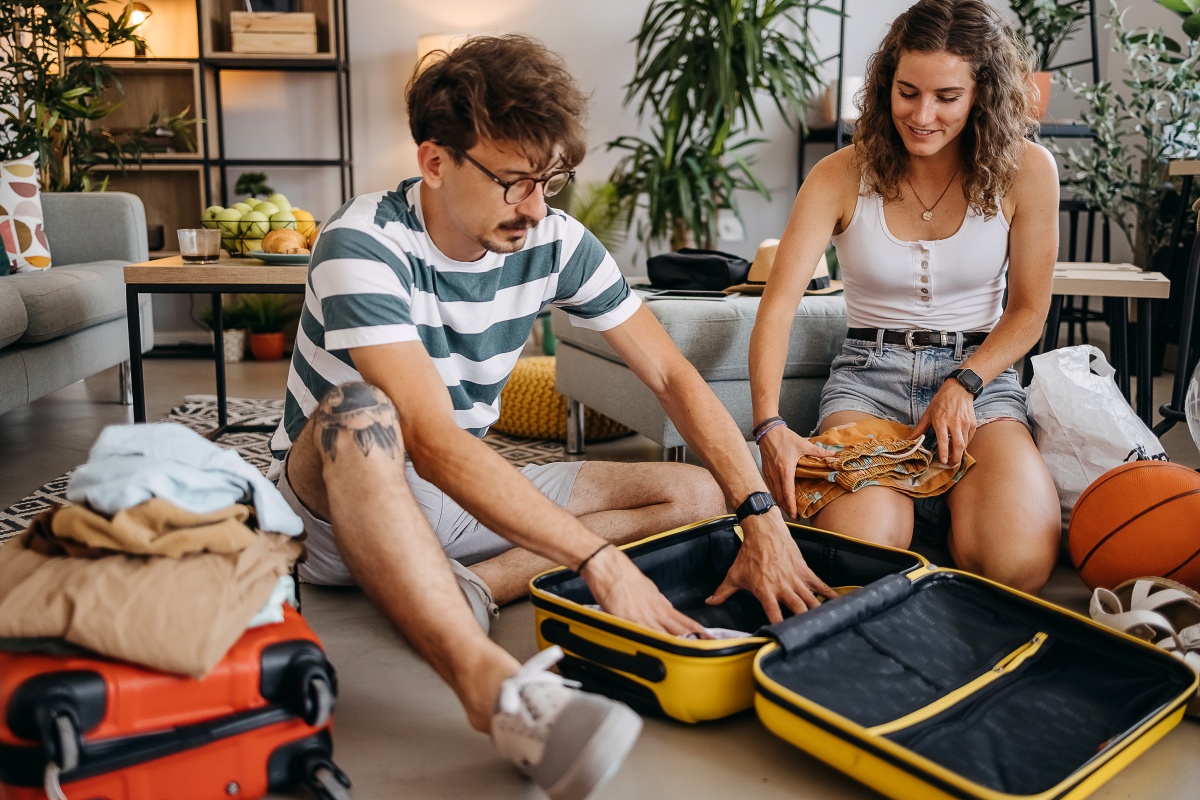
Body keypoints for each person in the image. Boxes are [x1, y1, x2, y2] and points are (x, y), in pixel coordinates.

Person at [266, 34, 836, 800]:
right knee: (361, 412)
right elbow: (429, 443)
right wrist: (600, 562)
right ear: (435, 162)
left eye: (549, 180)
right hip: (334, 506)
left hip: (455, 498)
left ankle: (479, 585)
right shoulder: (362, 243)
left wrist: (758, 511)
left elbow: (668, 371)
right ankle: (494, 692)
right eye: (512, 182)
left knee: (696, 494)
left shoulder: (553, 239)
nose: (536, 207)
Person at [749, 0, 1060, 596]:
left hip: (981, 381)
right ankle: (922, 506)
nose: (921, 115)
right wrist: (768, 424)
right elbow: (778, 305)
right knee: (861, 560)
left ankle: (948, 504)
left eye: (947, 97)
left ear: (982, 95)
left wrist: (963, 385)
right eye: (906, 91)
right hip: (869, 380)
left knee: (1015, 567)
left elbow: (1028, 312)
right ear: (885, 83)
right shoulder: (839, 174)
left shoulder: (1027, 170)